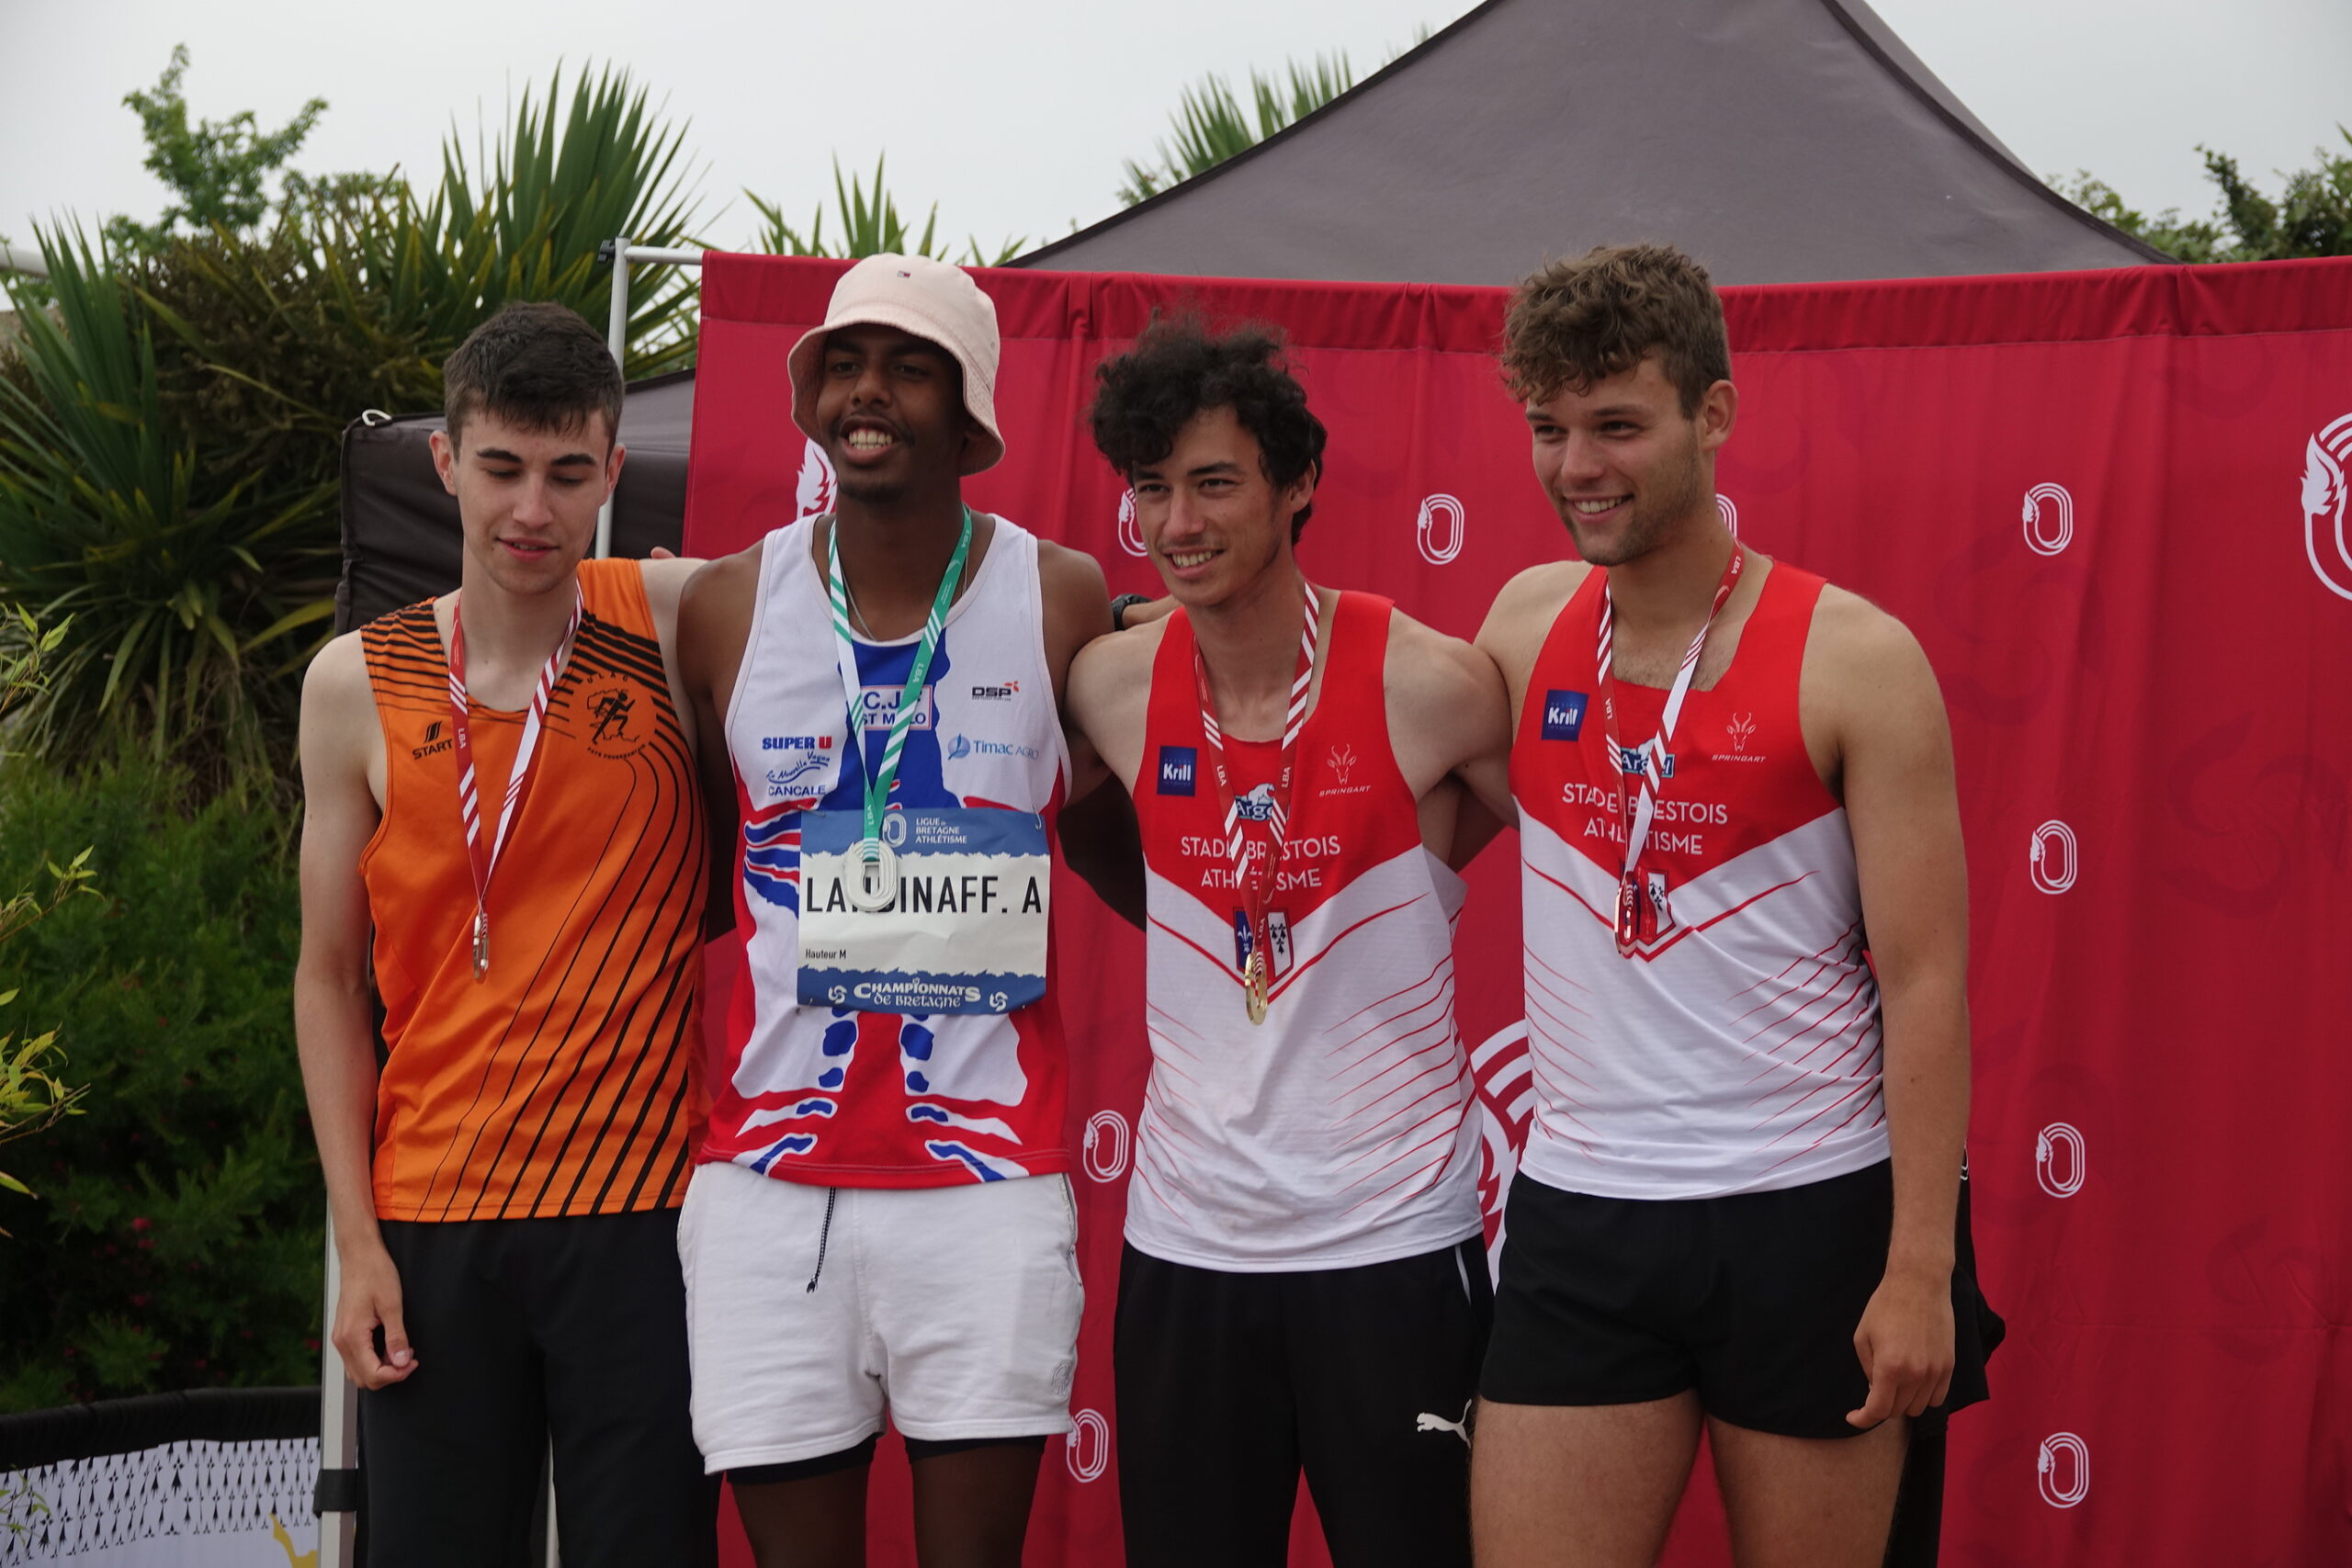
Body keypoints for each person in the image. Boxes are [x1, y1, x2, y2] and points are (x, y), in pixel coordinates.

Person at [1463, 243, 1988, 1568]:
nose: (1579, 465)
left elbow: (1926, 977)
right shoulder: (1524, 623)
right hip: (1581, 1211)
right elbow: (1376, 772)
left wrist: (1919, 1267)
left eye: (1619, 425)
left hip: (1806, 1210)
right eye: (1551, 427)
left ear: (1715, 413)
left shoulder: (1856, 657)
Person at [673, 254, 1119, 1568]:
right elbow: (706, 869)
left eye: (909, 365)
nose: (870, 392)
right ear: (811, 396)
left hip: (983, 1190)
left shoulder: (1059, 596)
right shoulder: (726, 606)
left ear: (968, 406)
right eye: (847, 363)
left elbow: (1106, 836)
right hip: (765, 1186)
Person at [1066, 317, 1510, 1568]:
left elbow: (1601, 858)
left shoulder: (1428, 683)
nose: (1178, 523)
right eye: (1152, 489)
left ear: (1298, 482)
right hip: (1187, 1247)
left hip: (1392, 1249)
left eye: (1214, 483)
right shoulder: (1108, 685)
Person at [293, 301, 716, 1564]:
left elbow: (890, 589)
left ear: (610, 473)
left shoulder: (678, 621)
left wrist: (1126, 622)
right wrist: (357, 1243)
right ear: (446, 460)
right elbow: (325, 981)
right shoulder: (354, 681)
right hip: (430, 1219)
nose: (533, 508)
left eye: (567, 473)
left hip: (641, 1216)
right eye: (502, 468)